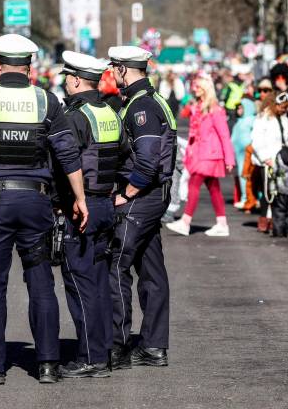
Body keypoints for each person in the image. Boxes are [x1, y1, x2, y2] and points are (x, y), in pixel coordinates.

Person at [0, 34, 87, 385]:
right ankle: (47, 364)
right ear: (29, 66)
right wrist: (80, 199)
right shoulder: (46, 100)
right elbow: (67, 155)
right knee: (41, 283)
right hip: (36, 202)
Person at [55, 51, 128, 378]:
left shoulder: (74, 117)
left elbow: (64, 163)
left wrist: (62, 200)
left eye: (66, 78)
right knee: (98, 283)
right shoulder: (109, 112)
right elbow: (126, 155)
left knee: (79, 283)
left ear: (73, 80)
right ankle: (103, 350)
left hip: (79, 206)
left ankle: (90, 357)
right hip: (105, 204)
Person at [107, 45, 177, 369]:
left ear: (123, 69)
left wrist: (128, 192)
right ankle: (153, 347)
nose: (111, 73)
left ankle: (117, 347)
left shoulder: (141, 106)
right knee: (151, 270)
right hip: (154, 194)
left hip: (142, 194)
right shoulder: (148, 99)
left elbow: (147, 159)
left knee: (116, 265)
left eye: (114, 68)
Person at [166, 75, 235, 237]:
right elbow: (183, 114)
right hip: (199, 154)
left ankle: (185, 222)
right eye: (194, 86)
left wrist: (229, 159)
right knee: (214, 189)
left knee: (194, 184)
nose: (194, 89)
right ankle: (222, 224)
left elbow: (224, 135)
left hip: (210, 155)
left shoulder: (215, 110)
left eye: (198, 87)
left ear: (205, 89)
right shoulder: (197, 107)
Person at [250, 91, 288, 233]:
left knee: (277, 191)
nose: (283, 109)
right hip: (267, 161)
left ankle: (275, 220)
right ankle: (264, 218)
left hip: (280, 160)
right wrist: (265, 157)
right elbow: (256, 140)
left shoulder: (283, 119)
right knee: (267, 192)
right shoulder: (263, 118)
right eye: (281, 106)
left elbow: (286, 137)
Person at [231, 100, 257, 209]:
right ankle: (244, 197)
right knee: (241, 176)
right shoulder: (239, 121)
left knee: (246, 176)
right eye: (238, 108)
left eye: (241, 108)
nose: (239, 110)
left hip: (247, 154)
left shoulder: (252, 120)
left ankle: (247, 198)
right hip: (239, 154)